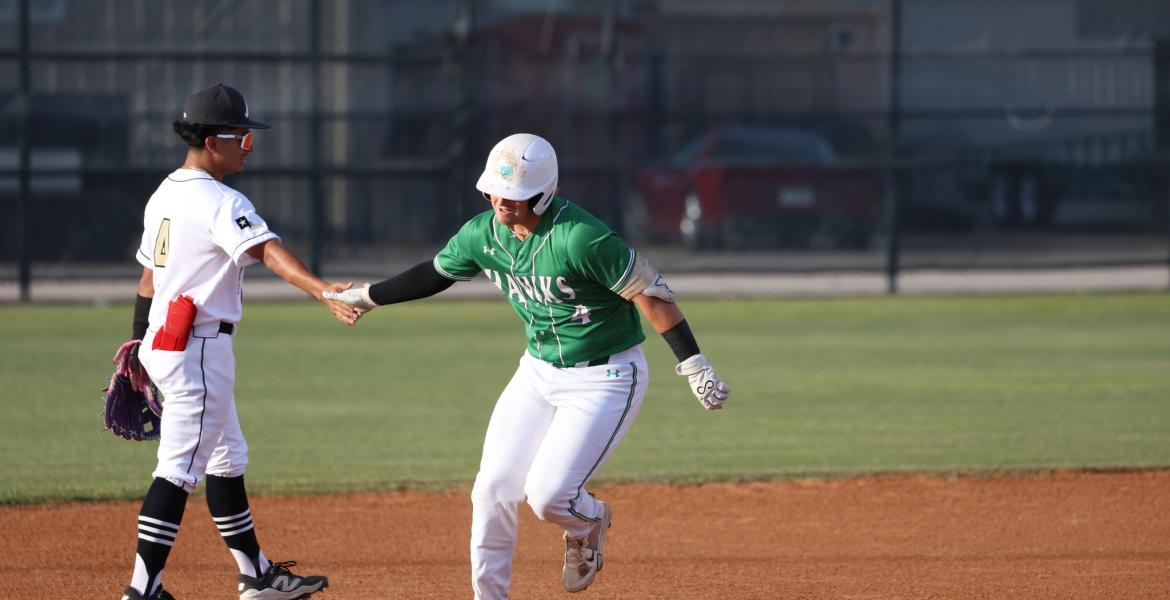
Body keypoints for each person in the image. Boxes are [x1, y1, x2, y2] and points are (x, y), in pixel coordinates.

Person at [325, 133, 731, 599]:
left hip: (606, 377)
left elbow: (651, 294)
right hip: (537, 373)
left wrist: (693, 363)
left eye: (516, 195)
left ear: (544, 193)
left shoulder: (581, 237)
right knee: (492, 488)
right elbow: (434, 273)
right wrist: (367, 296)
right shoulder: (483, 233)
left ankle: (589, 523)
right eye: (496, 192)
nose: (503, 202)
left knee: (549, 497)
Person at [120, 82, 359, 600]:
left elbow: (147, 282)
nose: (249, 145)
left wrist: (136, 349)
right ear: (214, 141)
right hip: (199, 350)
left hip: (165, 343)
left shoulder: (163, 193)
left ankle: (257, 574)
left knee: (226, 459)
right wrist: (321, 290)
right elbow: (269, 251)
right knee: (178, 472)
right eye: (243, 137)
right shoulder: (220, 200)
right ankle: (142, 590)